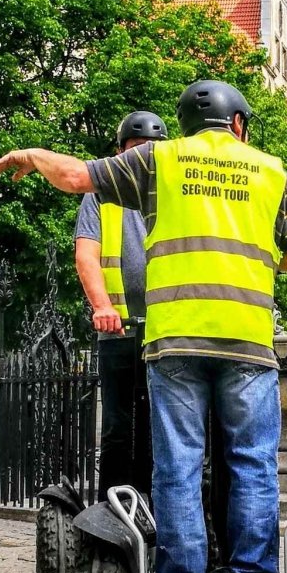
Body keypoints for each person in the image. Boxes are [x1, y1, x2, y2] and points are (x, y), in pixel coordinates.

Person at [0, 80, 287, 573]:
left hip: (175, 337)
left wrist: (31, 153)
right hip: (246, 337)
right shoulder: (270, 168)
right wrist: (261, 267)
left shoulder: (161, 161)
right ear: (238, 124)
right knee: (252, 463)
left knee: (178, 464)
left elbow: (76, 176)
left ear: (186, 124)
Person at [74, 111, 168, 499]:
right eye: (135, 150)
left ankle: (155, 510)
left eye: (151, 151)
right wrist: (101, 306)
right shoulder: (100, 194)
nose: (143, 157)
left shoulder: (175, 191)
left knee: (157, 427)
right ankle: (111, 512)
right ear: (120, 154)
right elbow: (86, 255)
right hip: (119, 329)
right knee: (116, 426)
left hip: (166, 328)